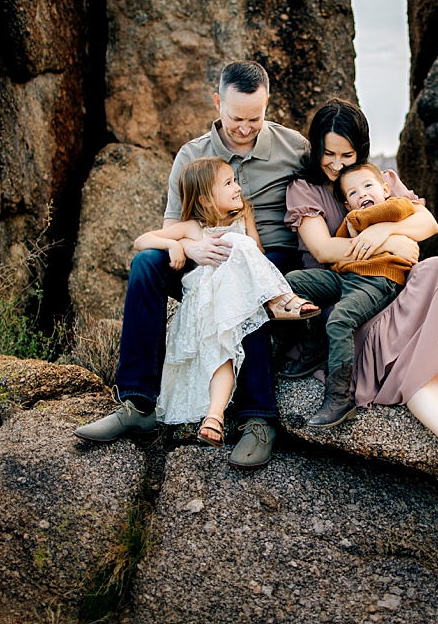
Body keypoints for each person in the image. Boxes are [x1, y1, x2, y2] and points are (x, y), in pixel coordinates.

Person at [284, 98, 438, 502]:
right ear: (316, 148)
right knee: (410, 368)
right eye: (328, 153)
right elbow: (326, 250)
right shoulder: (306, 189)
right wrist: (397, 239)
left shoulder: (377, 180)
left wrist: (383, 233)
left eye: (346, 154)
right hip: (355, 307)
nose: (336, 163)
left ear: (360, 151)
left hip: (396, 292)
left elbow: (427, 224)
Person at [75, 61, 310, 470]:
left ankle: (259, 418)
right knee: (147, 263)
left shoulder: (295, 148)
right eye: (236, 117)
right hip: (204, 253)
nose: (244, 127)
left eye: (254, 118)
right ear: (218, 103)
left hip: (269, 258)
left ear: (267, 104)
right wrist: (196, 247)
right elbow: (171, 230)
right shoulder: (193, 154)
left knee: (241, 275)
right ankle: (138, 403)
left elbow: (335, 184)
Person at [135, 157, 319, 445]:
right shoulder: (191, 228)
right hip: (207, 303)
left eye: (235, 180)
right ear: (207, 198)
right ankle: (280, 302)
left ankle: (214, 416)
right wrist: (175, 244)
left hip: (234, 301)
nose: (237, 187)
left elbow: (257, 253)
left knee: (227, 353)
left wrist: (238, 244)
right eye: (229, 182)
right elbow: (141, 242)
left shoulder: (243, 217)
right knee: (219, 354)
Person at [285, 162, 417, 427]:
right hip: (345, 276)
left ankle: (339, 397)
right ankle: (314, 344)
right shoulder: (350, 219)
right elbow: (337, 248)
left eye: (368, 187)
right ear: (346, 203)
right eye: (353, 194)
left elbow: (397, 208)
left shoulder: (394, 207)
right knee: (292, 281)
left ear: (385, 188)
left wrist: (363, 219)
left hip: (378, 280)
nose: (362, 195)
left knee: (339, 320)